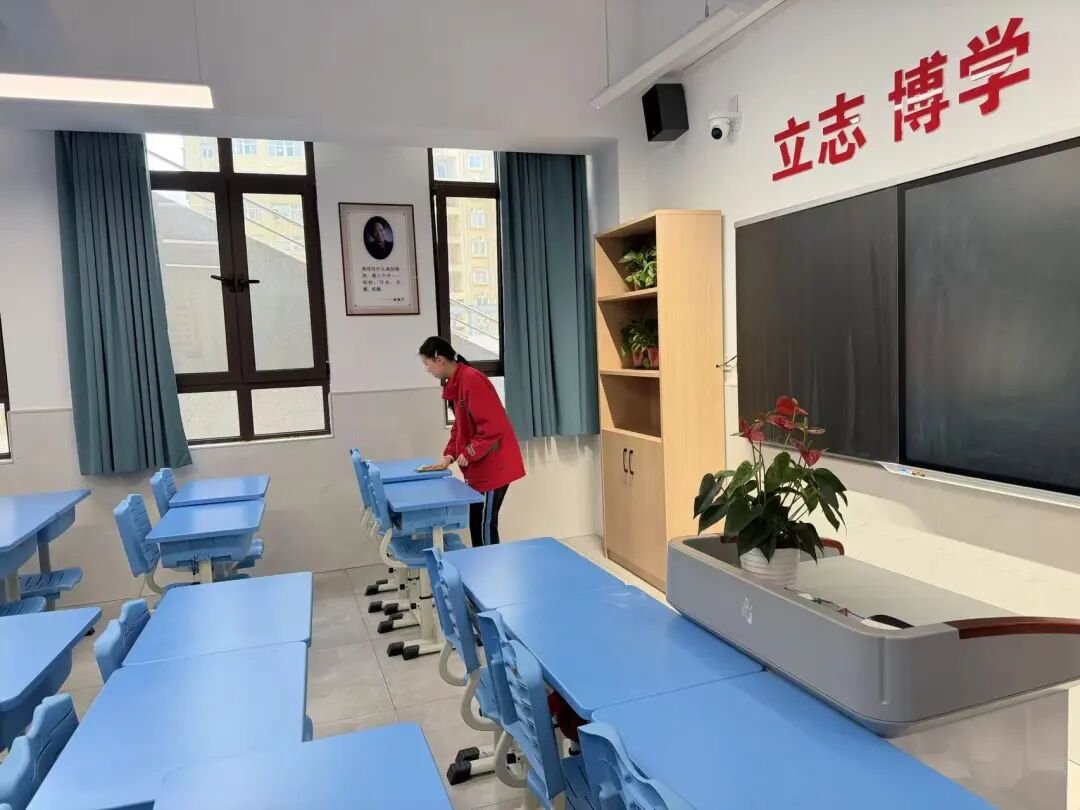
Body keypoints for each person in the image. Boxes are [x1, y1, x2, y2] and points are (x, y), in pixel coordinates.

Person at [418, 336, 524, 546]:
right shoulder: (457, 382)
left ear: (440, 360)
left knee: (485, 524)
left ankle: (490, 565)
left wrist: (469, 453)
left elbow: (493, 427)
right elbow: (461, 426)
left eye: (427, 364)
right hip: (481, 466)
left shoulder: (472, 380)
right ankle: (481, 563)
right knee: (476, 521)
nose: (427, 369)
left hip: (495, 465)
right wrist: (449, 456)